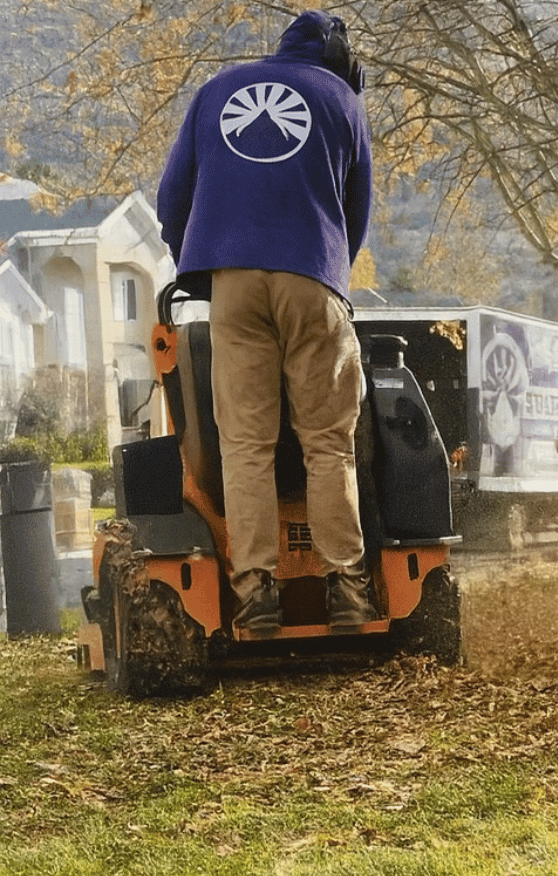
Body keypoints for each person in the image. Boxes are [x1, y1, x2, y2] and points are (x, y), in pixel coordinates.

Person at [157, 10, 375, 635]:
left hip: (231, 279)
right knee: (328, 442)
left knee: (244, 444)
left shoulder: (215, 91)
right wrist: (332, 268)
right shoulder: (344, 99)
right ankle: (349, 592)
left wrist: (195, 262)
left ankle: (256, 595)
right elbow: (355, 210)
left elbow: (173, 196)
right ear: (337, 56)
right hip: (313, 275)